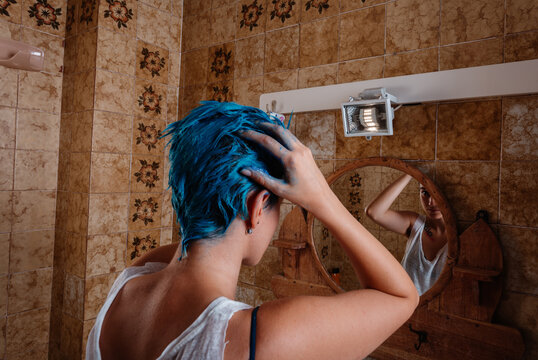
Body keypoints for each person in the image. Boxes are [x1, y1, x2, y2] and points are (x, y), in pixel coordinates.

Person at [86, 102, 419, 360]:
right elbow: (400, 296)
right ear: (258, 207)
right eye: (279, 206)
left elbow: (197, 236)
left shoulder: (130, 282)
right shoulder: (257, 339)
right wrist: (322, 198)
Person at [365, 174, 448, 295]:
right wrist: (410, 173)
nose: (431, 202)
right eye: (425, 193)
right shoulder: (415, 224)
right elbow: (374, 212)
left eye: (437, 194)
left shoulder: (461, 236)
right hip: (403, 306)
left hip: (434, 310)